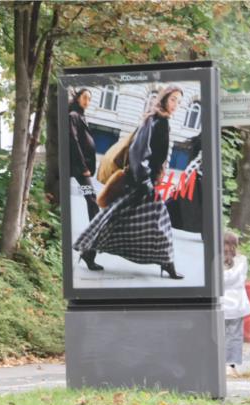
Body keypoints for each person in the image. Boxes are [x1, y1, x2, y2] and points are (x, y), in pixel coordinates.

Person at [73, 85, 185, 279]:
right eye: (173, 99)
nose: (176, 104)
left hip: (144, 181)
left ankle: (88, 252)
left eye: (179, 102)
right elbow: (137, 151)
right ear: (165, 98)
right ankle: (167, 263)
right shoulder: (154, 120)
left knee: (117, 218)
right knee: (161, 220)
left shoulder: (162, 121)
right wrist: (144, 180)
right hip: (141, 181)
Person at [222, 231, 250, 373]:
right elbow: (241, 278)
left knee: (219, 335)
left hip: (221, 303)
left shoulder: (216, 260)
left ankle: (219, 363)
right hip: (238, 304)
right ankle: (231, 366)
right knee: (235, 336)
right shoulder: (242, 260)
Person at [68, 89, 100, 223]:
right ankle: (96, 229)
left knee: (91, 196)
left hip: (79, 166)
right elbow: (73, 141)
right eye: (85, 97)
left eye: (89, 99)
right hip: (78, 167)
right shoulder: (73, 116)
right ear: (78, 98)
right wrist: (83, 167)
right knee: (91, 196)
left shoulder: (81, 116)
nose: (87, 101)